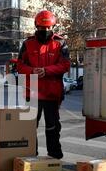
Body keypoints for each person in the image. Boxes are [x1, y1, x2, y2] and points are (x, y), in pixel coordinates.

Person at [17, 10, 71, 159]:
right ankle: (29, 153)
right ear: (36, 26)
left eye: (48, 28)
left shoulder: (60, 43)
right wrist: (33, 71)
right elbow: (20, 66)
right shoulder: (27, 43)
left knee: (53, 126)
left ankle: (54, 154)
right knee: (30, 126)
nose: (45, 30)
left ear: (53, 27)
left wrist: (46, 71)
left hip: (52, 93)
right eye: (42, 27)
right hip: (32, 92)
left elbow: (65, 65)